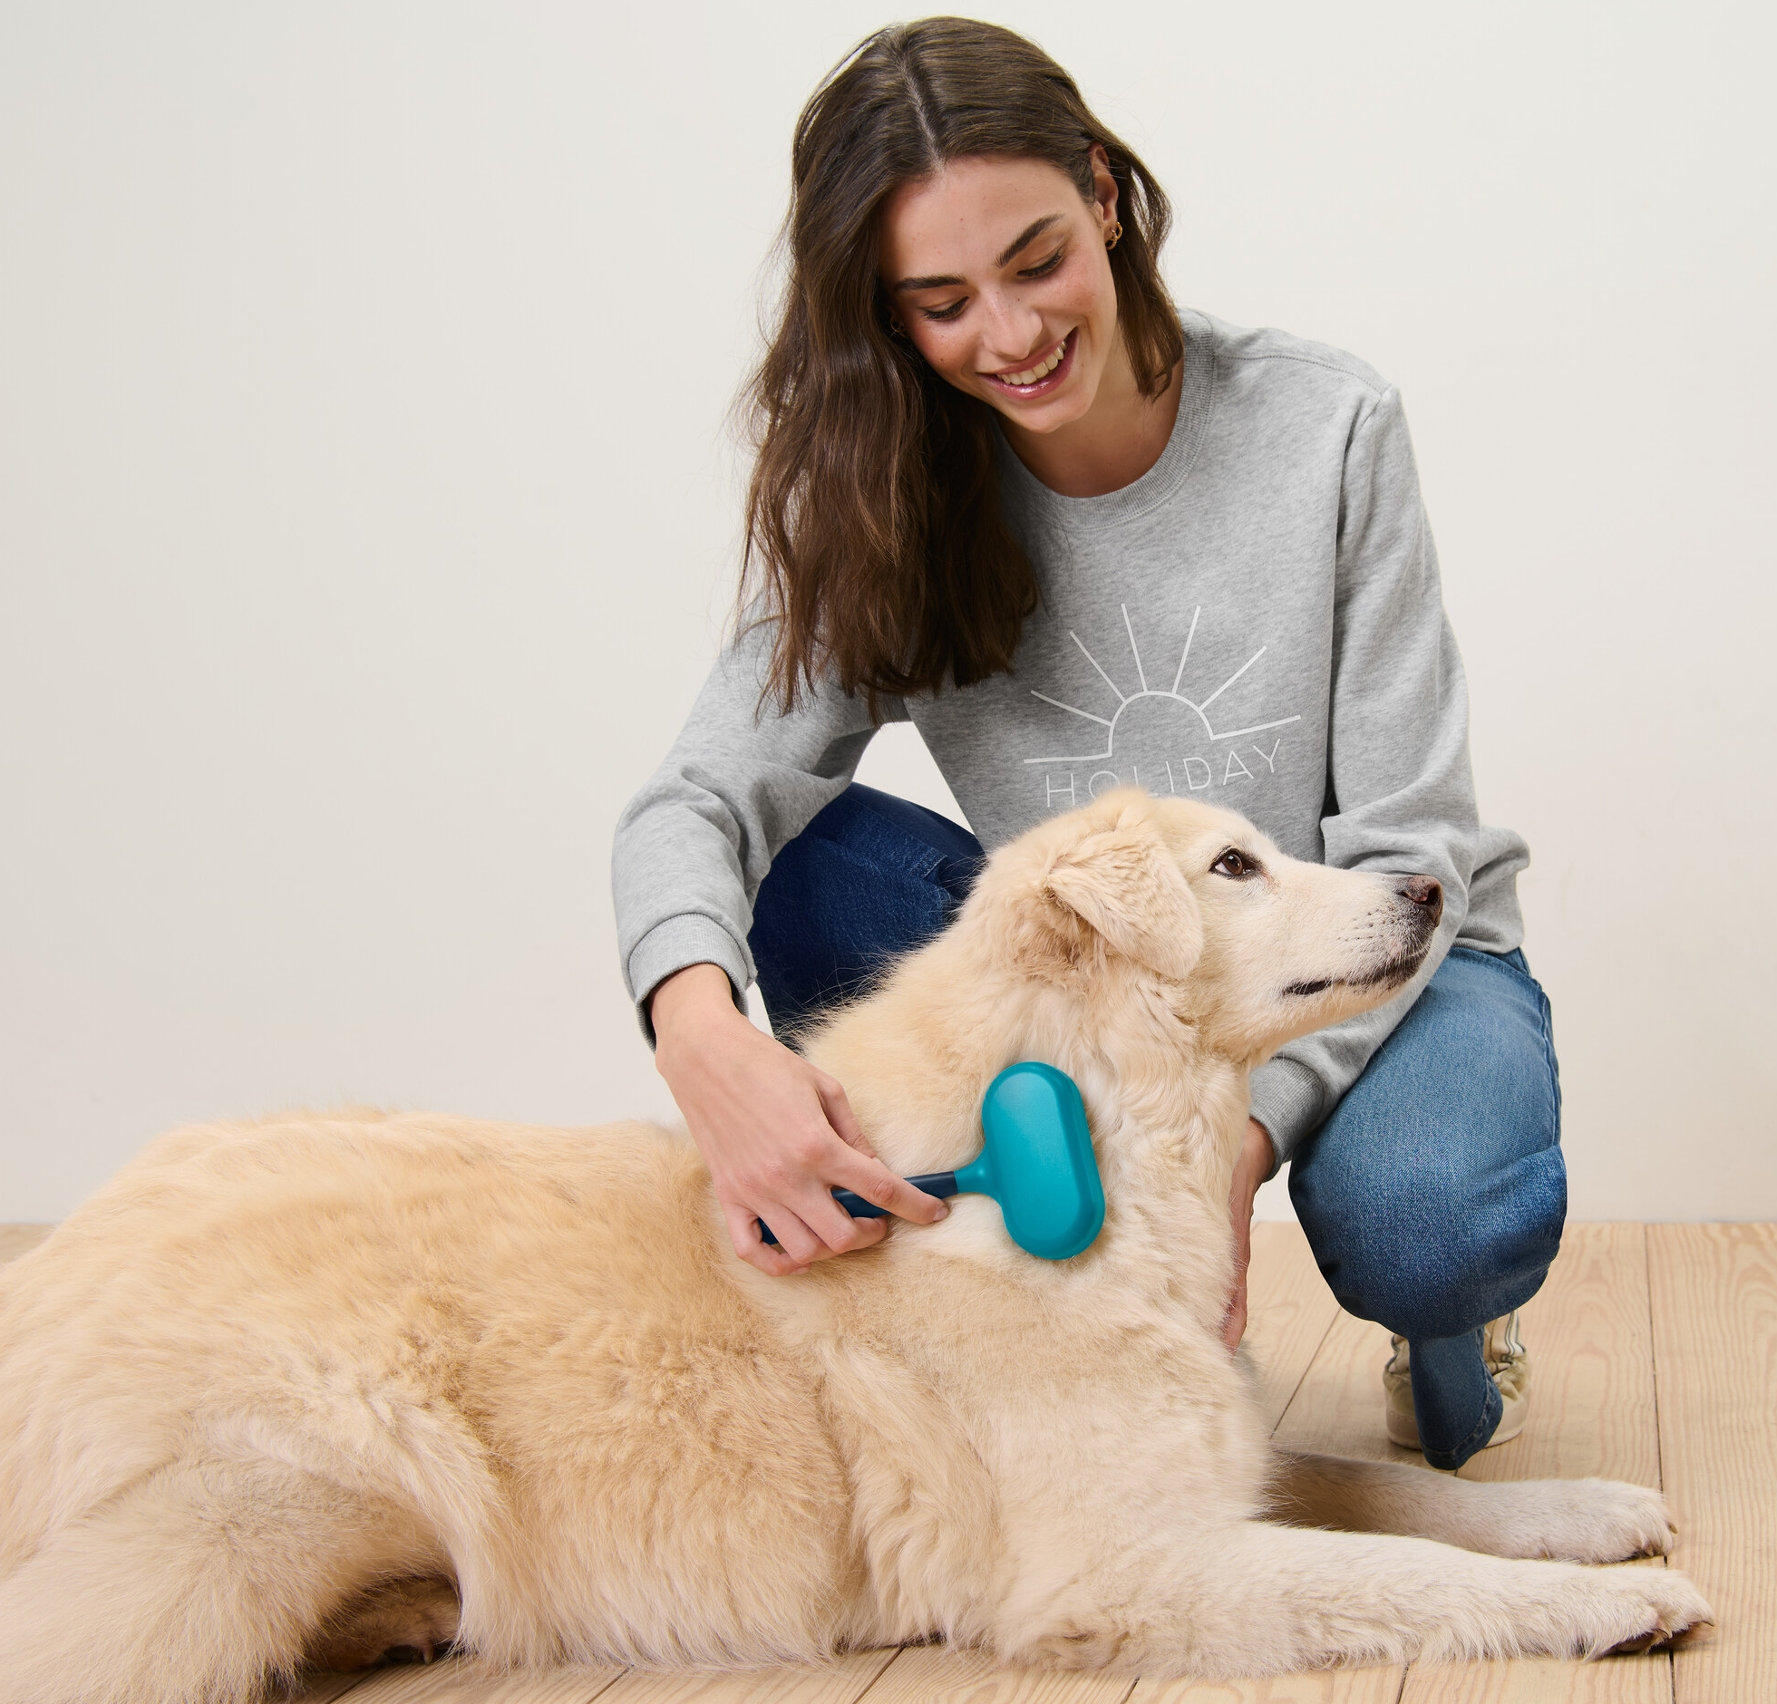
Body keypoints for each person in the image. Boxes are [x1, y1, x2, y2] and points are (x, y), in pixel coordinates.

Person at [612, 16, 1564, 1471]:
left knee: (1428, 1220)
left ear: (1108, 198)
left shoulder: (1328, 424)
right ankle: (973, 1342)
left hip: (1382, 945)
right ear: (885, 314)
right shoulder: (882, 491)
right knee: (792, 866)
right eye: (938, 301)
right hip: (1132, 982)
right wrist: (699, 1036)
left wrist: (1226, 1156)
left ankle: (1447, 1324)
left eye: (1037, 259)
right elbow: (698, 800)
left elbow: (1410, 845)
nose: (1007, 335)